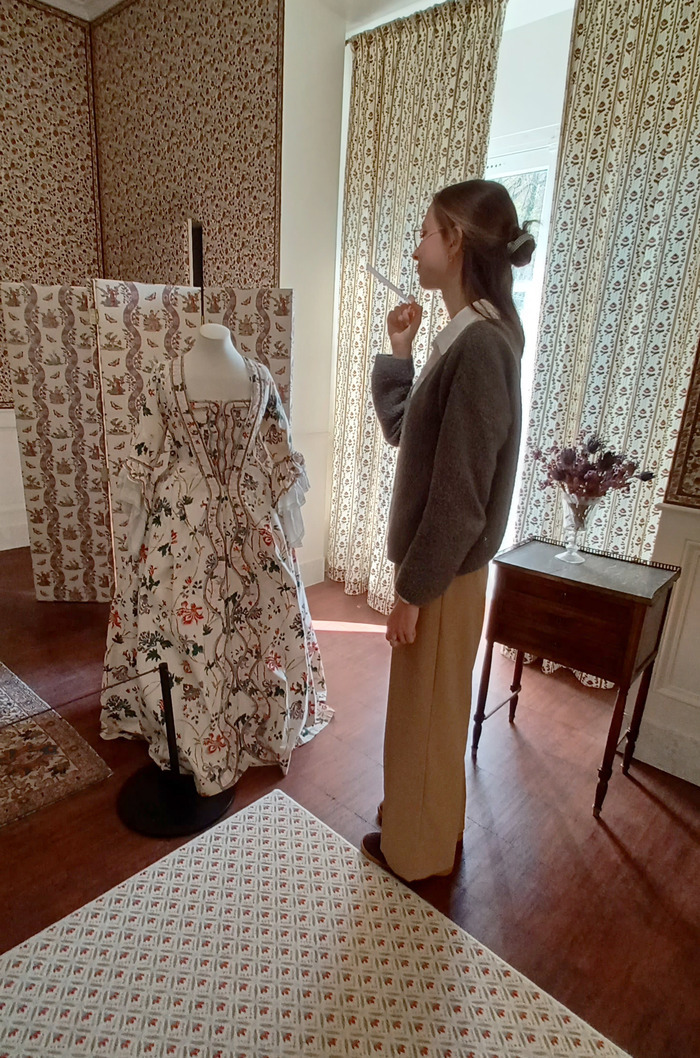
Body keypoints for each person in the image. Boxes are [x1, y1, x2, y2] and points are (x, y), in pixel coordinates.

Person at [362, 179, 535, 881]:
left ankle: (419, 853)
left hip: (448, 572)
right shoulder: (463, 336)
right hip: (444, 568)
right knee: (422, 710)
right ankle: (419, 817)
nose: (416, 246)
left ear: (456, 241)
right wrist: (398, 350)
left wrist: (411, 594)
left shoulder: (482, 347)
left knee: (428, 714)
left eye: (426, 232)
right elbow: (408, 432)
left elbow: (460, 500)